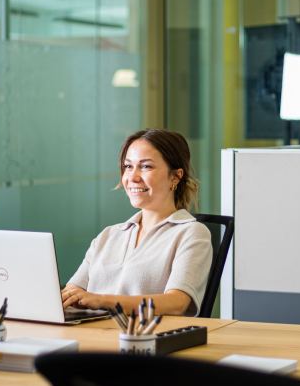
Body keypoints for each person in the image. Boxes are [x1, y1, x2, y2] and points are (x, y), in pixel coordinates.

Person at [62, 129, 213, 316]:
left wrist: (102, 301)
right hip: (92, 330)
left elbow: (177, 302)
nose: (133, 177)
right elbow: (72, 292)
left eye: (146, 166)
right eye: (128, 166)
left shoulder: (192, 233)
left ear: (175, 176)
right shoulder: (109, 235)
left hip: (146, 333)